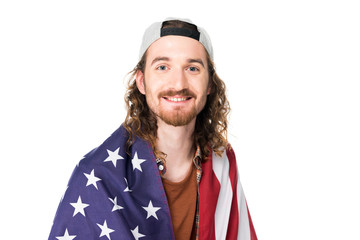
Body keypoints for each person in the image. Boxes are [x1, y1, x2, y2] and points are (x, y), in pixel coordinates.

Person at [49, 17, 257, 240]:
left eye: (192, 68)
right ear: (141, 82)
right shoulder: (97, 174)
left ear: (209, 84)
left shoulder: (221, 160)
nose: (178, 84)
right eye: (162, 67)